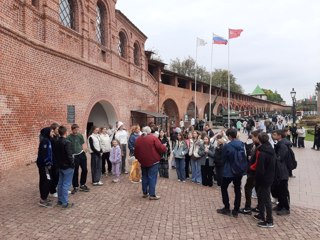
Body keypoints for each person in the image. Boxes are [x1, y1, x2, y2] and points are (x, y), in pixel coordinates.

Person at [217, 128, 246, 217]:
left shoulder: (227, 146)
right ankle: (236, 210)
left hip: (228, 170)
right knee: (237, 189)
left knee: (223, 187)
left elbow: (223, 159)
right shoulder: (241, 144)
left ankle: (226, 207)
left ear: (229, 136)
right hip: (238, 170)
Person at [134, 126, 166, 200]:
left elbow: (136, 151)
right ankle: (152, 194)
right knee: (152, 177)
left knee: (144, 176)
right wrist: (165, 147)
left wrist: (138, 158)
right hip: (153, 161)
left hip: (143, 161)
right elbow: (160, 147)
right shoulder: (153, 138)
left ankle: (145, 193)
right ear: (149, 131)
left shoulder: (138, 139)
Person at [255, 132, 276, 228]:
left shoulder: (263, 152)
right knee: (260, 195)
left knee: (266, 199)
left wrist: (258, 177)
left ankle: (269, 220)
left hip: (264, 178)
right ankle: (261, 214)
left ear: (259, 140)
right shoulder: (270, 148)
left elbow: (260, 168)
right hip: (269, 176)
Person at [239, 131, 260, 215]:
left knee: (248, 188)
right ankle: (259, 206)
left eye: (253, 137)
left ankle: (248, 207)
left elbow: (257, 160)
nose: (252, 139)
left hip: (254, 172)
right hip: (254, 171)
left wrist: (251, 167)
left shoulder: (259, 147)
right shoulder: (256, 145)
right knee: (256, 189)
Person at [272, 130, 291, 216]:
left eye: (274, 134)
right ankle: (280, 205)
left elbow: (280, 158)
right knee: (279, 189)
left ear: (280, 136)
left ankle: (285, 208)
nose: (272, 135)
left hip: (282, 171)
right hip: (279, 171)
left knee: (283, 190)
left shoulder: (283, 145)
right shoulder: (280, 144)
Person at [56, 126, 75, 208]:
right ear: (65, 132)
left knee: (60, 183)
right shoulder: (67, 142)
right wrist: (72, 164)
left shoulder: (56, 141)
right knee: (66, 184)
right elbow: (69, 155)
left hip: (60, 165)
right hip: (67, 166)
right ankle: (65, 202)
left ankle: (60, 200)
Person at [67, 124, 89, 194]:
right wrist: (71, 156)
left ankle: (82, 184)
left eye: (77, 129)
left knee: (85, 169)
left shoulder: (80, 135)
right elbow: (68, 148)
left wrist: (85, 149)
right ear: (72, 129)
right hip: (74, 156)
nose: (76, 131)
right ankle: (75, 186)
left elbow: (82, 143)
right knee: (75, 171)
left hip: (81, 154)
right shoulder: (68, 138)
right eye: (75, 130)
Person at [36, 127, 54, 207]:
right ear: (47, 132)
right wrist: (48, 163)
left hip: (45, 164)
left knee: (44, 180)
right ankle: (43, 200)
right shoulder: (45, 142)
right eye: (51, 131)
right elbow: (44, 154)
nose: (52, 133)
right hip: (44, 165)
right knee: (46, 180)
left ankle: (44, 197)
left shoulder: (47, 140)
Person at [49, 123, 60, 198]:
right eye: (57, 129)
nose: (58, 130)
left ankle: (55, 187)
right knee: (53, 174)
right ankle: (52, 191)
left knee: (57, 174)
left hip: (57, 158)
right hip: (53, 159)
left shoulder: (57, 137)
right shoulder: (50, 139)